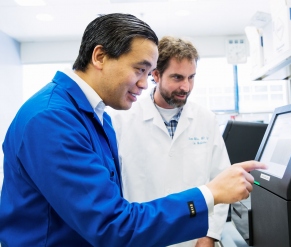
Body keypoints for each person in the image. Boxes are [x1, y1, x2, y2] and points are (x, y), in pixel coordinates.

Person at [0, 13, 266, 246]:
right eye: (139, 69)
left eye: (148, 72)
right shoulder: (52, 120)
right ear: (100, 56)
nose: (143, 82)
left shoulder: (95, 116)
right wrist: (210, 193)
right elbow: (111, 225)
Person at [110, 36, 230, 247]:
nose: (186, 86)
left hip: (195, 238)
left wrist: (210, 235)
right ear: (155, 75)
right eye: (177, 77)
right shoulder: (122, 121)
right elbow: (113, 189)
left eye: (191, 77)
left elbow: (220, 181)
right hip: (143, 238)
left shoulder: (206, 120)